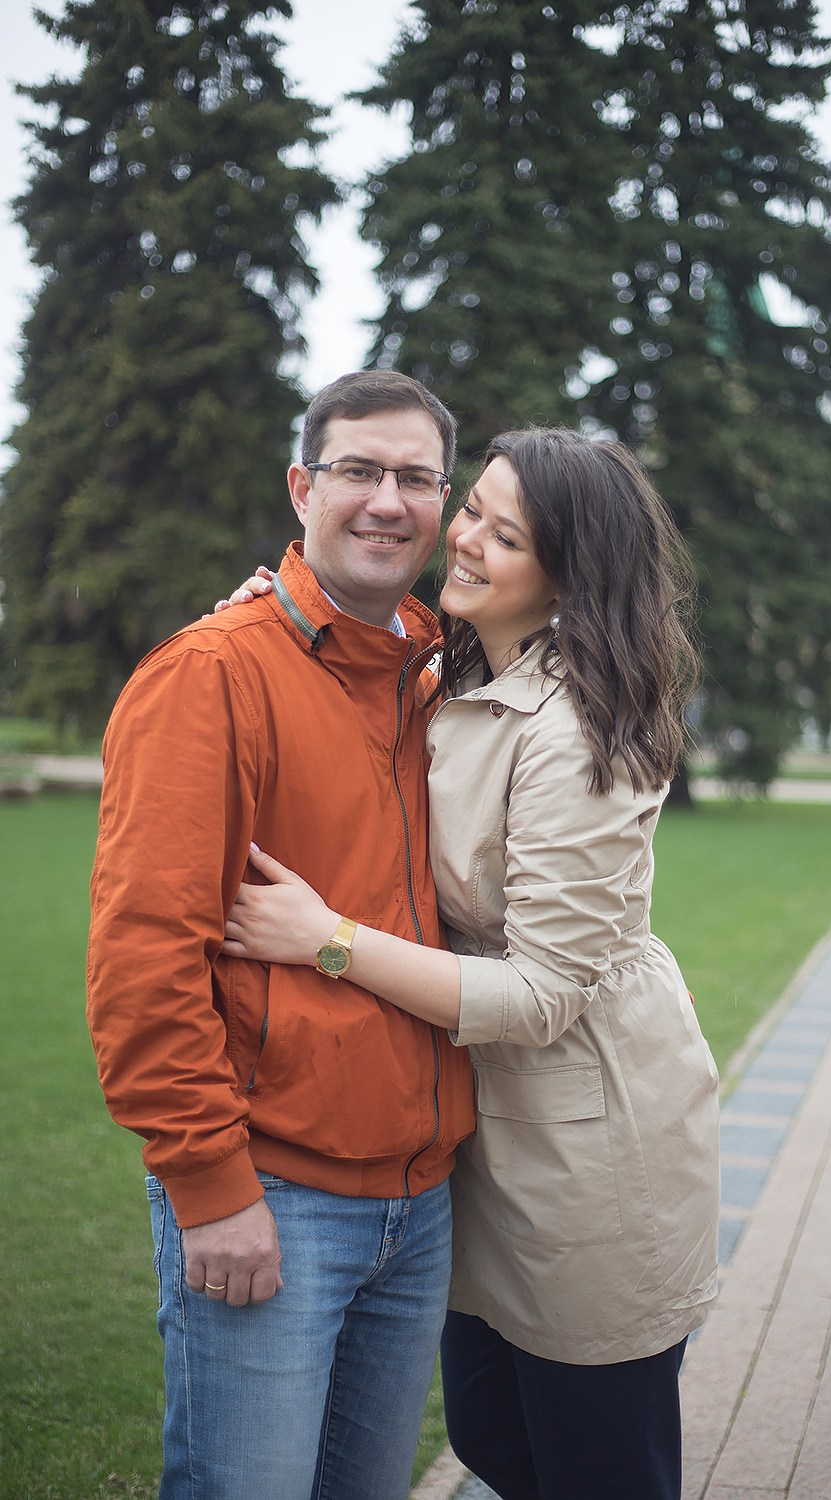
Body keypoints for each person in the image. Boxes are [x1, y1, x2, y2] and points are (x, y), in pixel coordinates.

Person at [219, 427, 721, 1500]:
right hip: (477, 1128)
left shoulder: (578, 726)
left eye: (508, 533)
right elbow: (341, 655)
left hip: (588, 1142)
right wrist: (270, 615)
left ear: (570, 578)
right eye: (475, 510)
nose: (467, 539)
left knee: (596, 1467)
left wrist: (328, 941)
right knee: (496, 1442)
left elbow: (541, 994)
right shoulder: (449, 665)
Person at [86, 370, 477, 1500]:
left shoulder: (438, 669)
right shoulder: (210, 676)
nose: (387, 502)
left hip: (422, 1203)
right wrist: (210, 1186)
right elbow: (143, 956)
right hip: (273, 1195)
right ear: (302, 486)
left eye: (415, 478)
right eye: (359, 471)